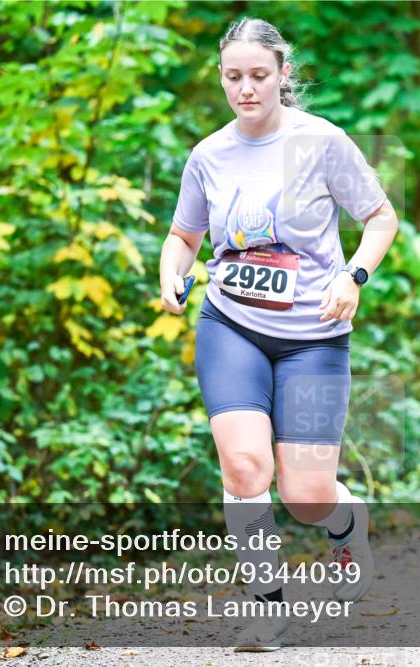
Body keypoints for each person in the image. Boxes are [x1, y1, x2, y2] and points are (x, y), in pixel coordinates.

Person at [158, 16, 399, 651]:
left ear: (282, 74)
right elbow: (183, 236)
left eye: (259, 76)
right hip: (230, 325)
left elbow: (381, 217)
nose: (246, 89)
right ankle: (266, 607)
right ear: (220, 77)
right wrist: (171, 274)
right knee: (244, 467)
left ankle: (345, 524)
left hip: (314, 334)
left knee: (305, 495)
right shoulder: (209, 154)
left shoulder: (320, 142)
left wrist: (353, 275)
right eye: (233, 76)